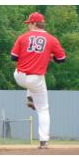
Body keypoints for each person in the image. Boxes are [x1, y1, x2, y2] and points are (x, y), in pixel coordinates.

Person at [11, 12, 66, 149]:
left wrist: (31, 55)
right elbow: (62, 60)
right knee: (43, 109)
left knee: (29, 74)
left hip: (19, 77)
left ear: (35, 23)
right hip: (35, 80)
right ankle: (43, 142)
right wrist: (49, 56)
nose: (28, 25)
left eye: (29, 23)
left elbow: (14, 58)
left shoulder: (22, 37)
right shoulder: (52, 39)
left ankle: (30, 97)